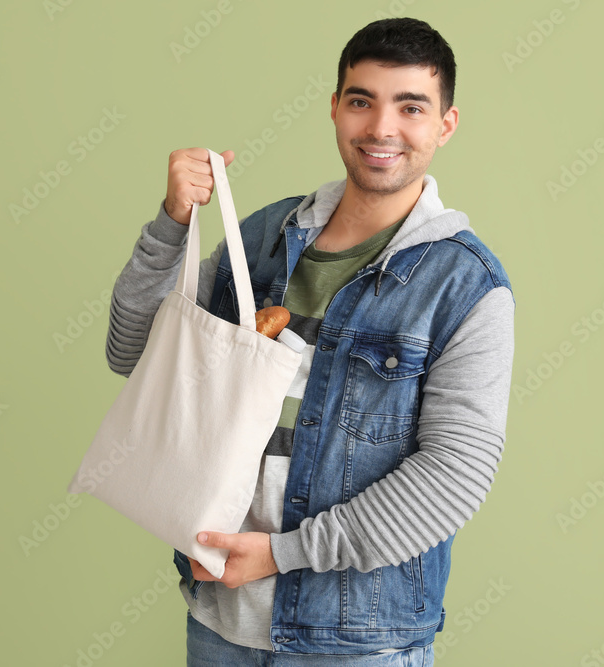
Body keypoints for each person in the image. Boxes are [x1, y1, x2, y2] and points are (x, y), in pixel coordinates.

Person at [105, 17, 514, 665]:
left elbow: (454, 475)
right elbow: (133, 354)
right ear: (334, 108)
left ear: (446, 124)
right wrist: (171, 223)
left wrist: (281, 554)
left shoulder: (465, 284)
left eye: (411, 106)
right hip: (220, 623)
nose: (382, 128)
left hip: (357, 642)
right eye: (362, 101)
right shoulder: (267, 236)